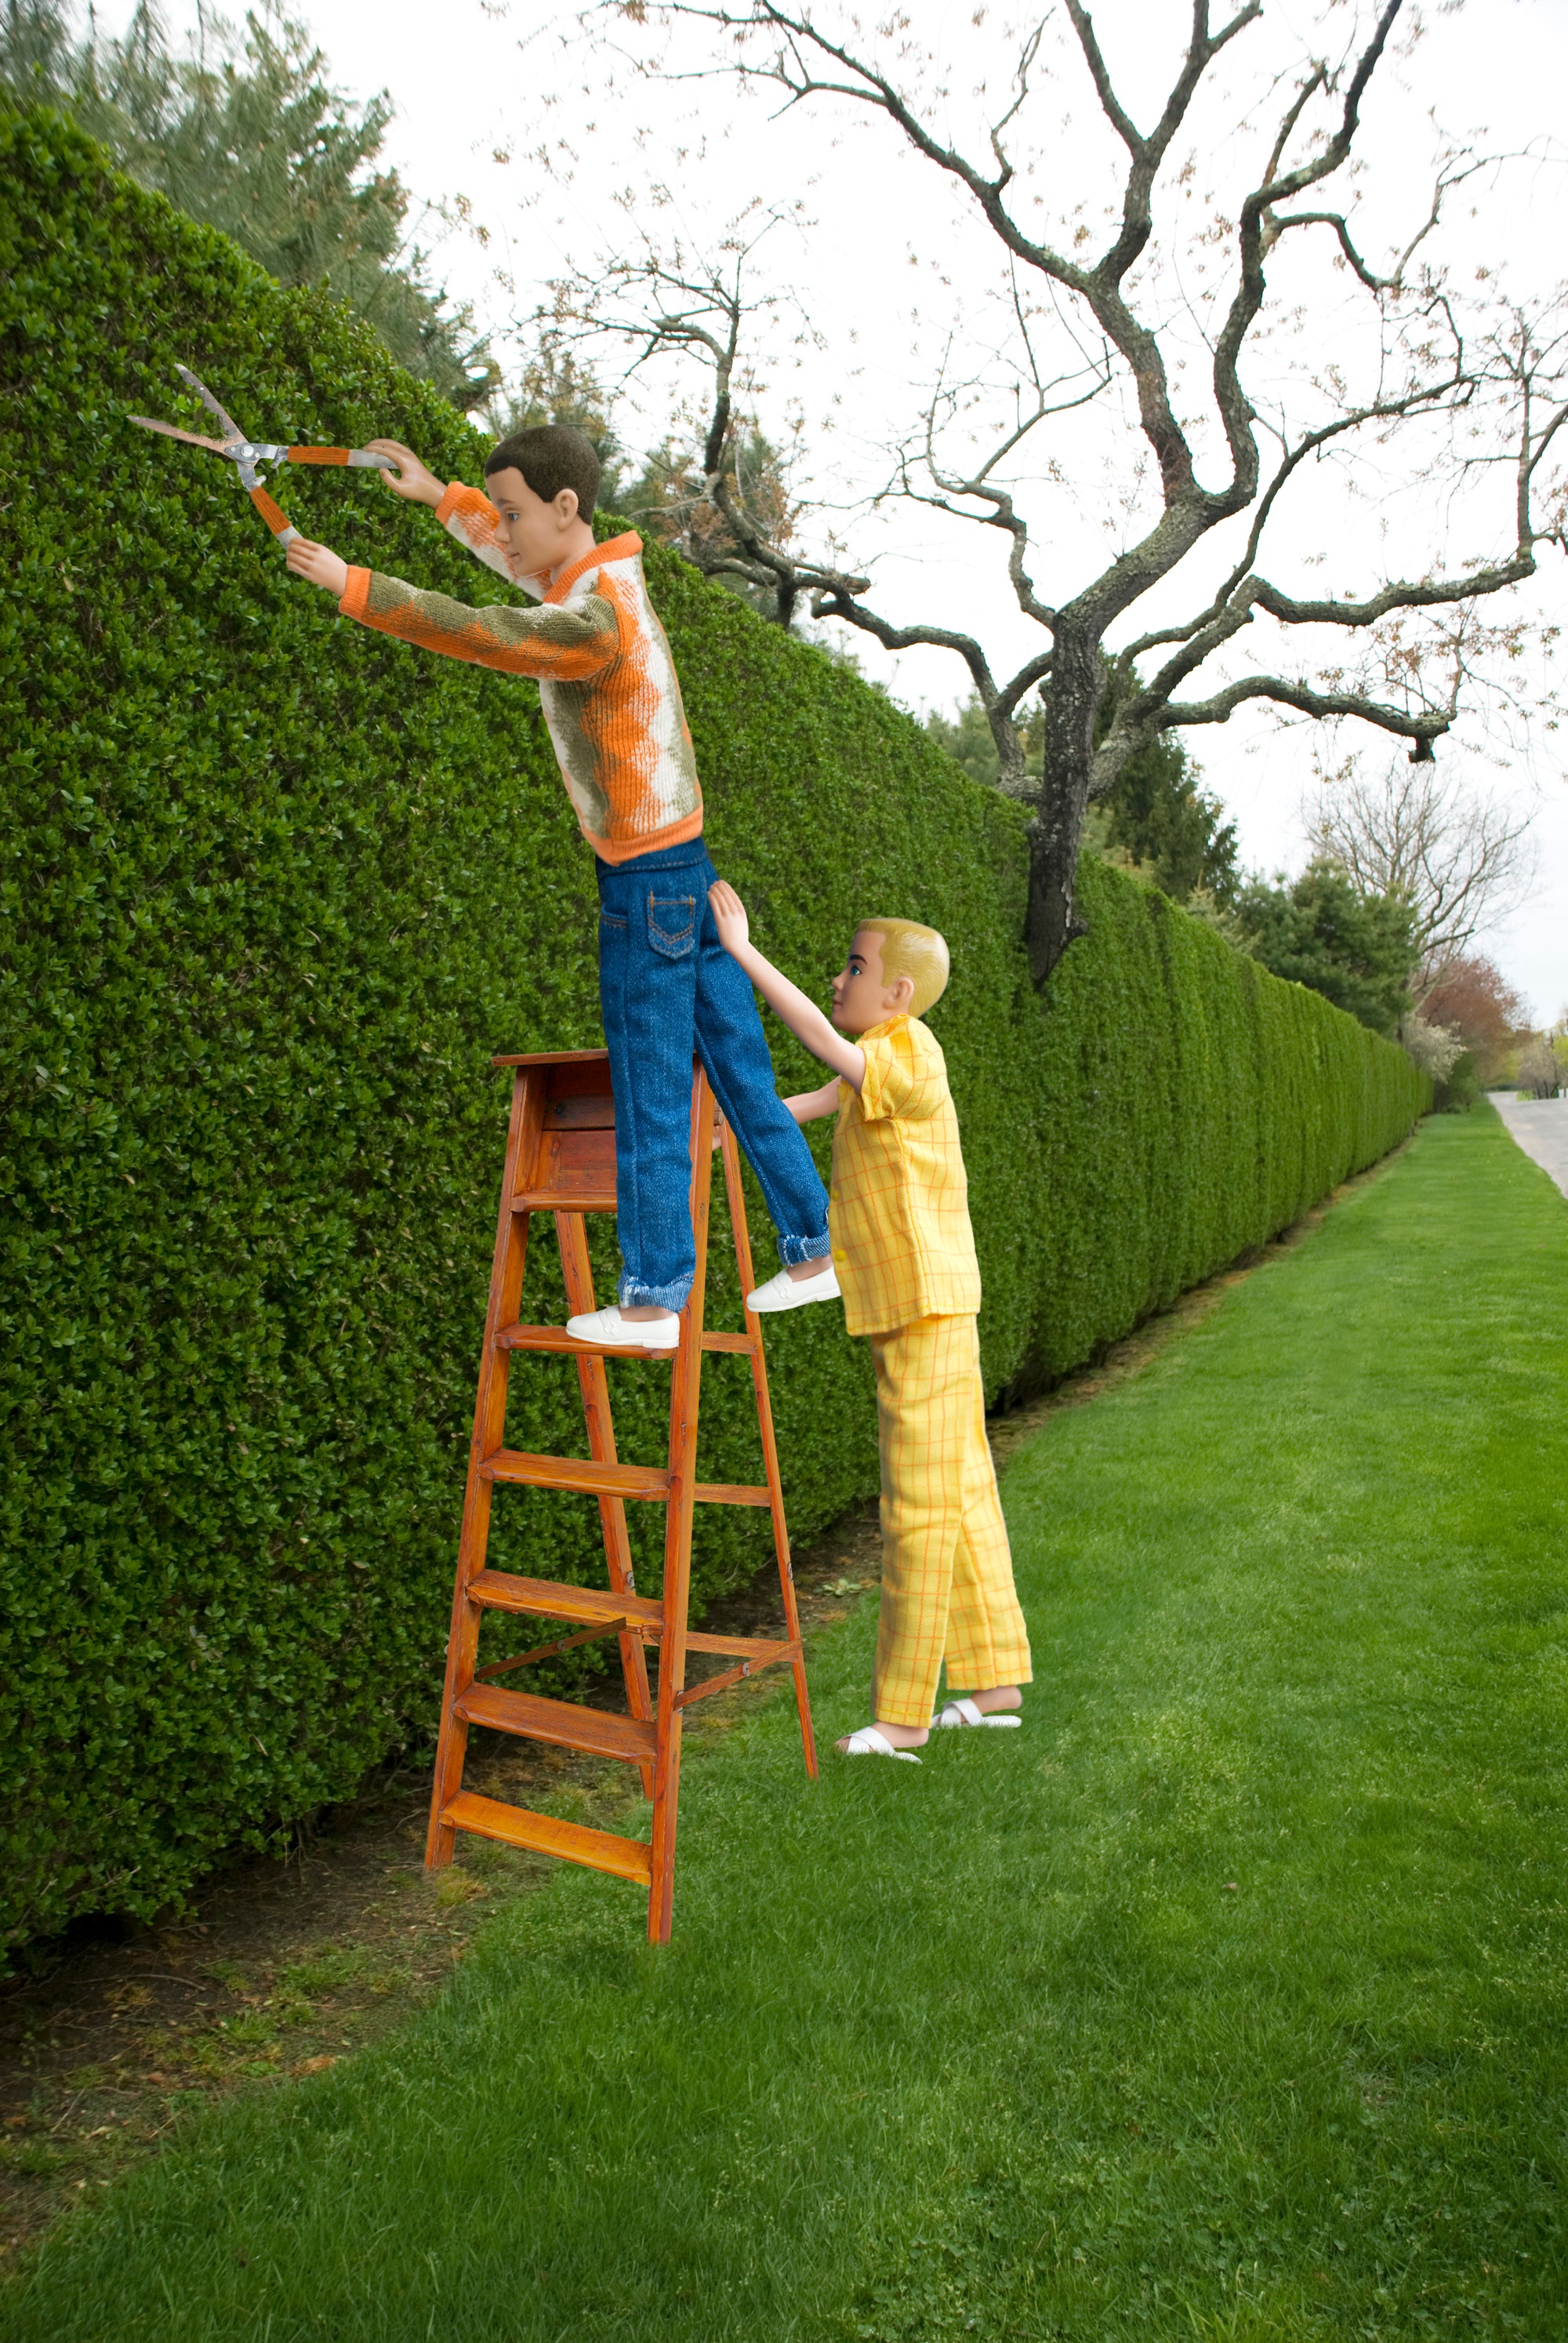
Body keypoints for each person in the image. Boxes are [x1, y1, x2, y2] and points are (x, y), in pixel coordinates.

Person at [282, 423, 837, 1346]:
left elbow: (492, 631)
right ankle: (812, 1249)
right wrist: (437, 496)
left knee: (651, 1084)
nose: (500, 531)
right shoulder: (595, 578)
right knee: (739, 1071)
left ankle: (655, 1299)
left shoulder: (592, 621)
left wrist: (356, 587)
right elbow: (520, 576)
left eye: (510, 514)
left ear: (565, 508)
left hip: (644, 881)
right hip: (682, 863)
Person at [707, 881, 1032, 1760]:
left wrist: (741, 954)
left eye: (855, 967)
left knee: (916, 1510)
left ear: (898, 992)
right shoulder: (882, 1056)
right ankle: (995, 1679)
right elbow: (796, 1108)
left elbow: (818, 1036)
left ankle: (901, 1717)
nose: (840, 979)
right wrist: (712, 1131)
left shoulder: (908, 1052)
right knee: (959, 1494)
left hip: (925, 1308)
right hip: (922, 1307)